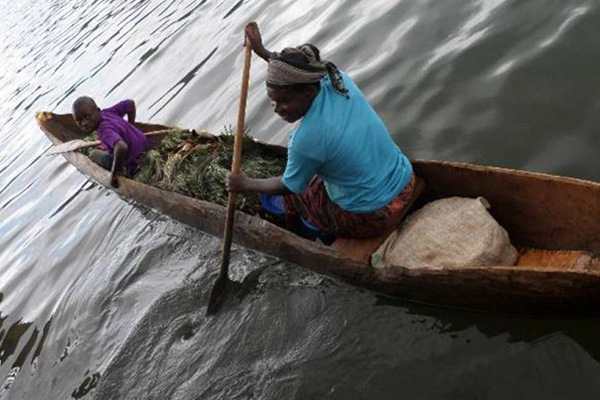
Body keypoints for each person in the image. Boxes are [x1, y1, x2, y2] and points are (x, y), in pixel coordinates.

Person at [226, 22, 416, 240]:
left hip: (373, 216)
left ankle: (300, 239)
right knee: (316, 174)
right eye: (273, 102)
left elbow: (288, 186)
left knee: (292, 196)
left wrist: (245, 183)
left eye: (284, 102)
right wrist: (262, 51)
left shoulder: (306, 139)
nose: (278, 109)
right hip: (406, 180)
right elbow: (296, 72)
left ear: (307, 92)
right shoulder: (338, 81)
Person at [72, 97, 153, 188]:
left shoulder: (104, 130)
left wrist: (115, 174)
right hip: (148, 147)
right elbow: (130, 104)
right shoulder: (108, 112)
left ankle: (121, 171)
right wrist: (132, 125)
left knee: (94, 155)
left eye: (87, 117)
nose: (84, 123)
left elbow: (121, 146)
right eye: (78, 121)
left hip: (135, 162)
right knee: (108, 147)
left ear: (98, 111)